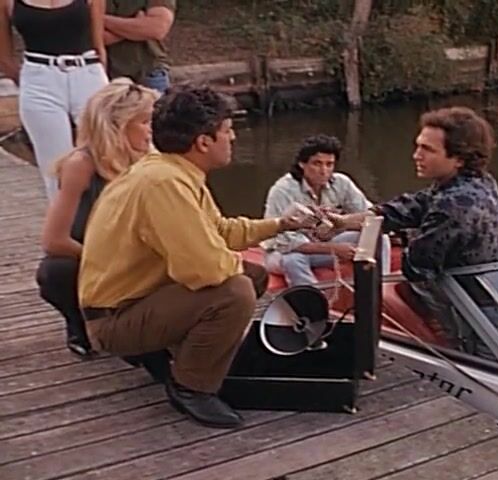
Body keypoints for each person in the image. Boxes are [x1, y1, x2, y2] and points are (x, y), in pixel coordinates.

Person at [77, 86, 313, 429]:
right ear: (203, 142)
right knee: (235, 291)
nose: (233, 137)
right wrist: (231, 265)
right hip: (113, 320)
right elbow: (205, 270)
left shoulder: (171, 171)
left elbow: (221, 230)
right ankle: (191, 386)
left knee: (254, 275)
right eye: (227, 130)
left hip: (133, 302)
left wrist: (281, 224)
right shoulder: (165, 184)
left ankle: (171, 352)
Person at [329, 106, 498, 358]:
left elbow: (417, 265)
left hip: (484, 321)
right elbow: (413, 205)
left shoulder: (453, 206)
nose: (416, 155)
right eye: (418, 146)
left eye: (427, 149)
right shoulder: (476, 181)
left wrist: (405, 236)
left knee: (477, 372)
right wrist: (345, 222)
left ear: (459, 158)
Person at [36, 79, 158, 357]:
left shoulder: (151, 158)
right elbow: (53, 240)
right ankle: (78, 322)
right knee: (55, 271)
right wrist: (103, 259)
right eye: (144, 122)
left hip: (137, 255)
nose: (151, 129)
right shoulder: (81, 164)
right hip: (90, 256)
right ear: (118, 125)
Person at [0, 0, 109, 199]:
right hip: (39, 76)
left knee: (106, 155)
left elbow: (99, 45)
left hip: (86, 69)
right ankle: (62, 218)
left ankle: (107, 215)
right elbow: (5, 56)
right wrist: (29, 81)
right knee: (55, 167)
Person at [263, 134, 388, 286]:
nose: (324, 171)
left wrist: (344, 223)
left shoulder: (341, 182)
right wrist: (334, 249)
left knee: (378, 236)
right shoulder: (283, 190)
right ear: (302, 164)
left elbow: (368, 215)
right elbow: (285, 243)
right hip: (283, 251)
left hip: (323, 244)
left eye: (329, 164)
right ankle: (312, 298)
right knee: (292, 260)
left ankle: (382, 285)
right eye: (317, 164)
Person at [103, 0, 175, 92]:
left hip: (147, 73)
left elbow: (156, 28)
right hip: (102, 75)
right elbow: (91, 38)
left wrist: (99, 19)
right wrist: (135, 26)